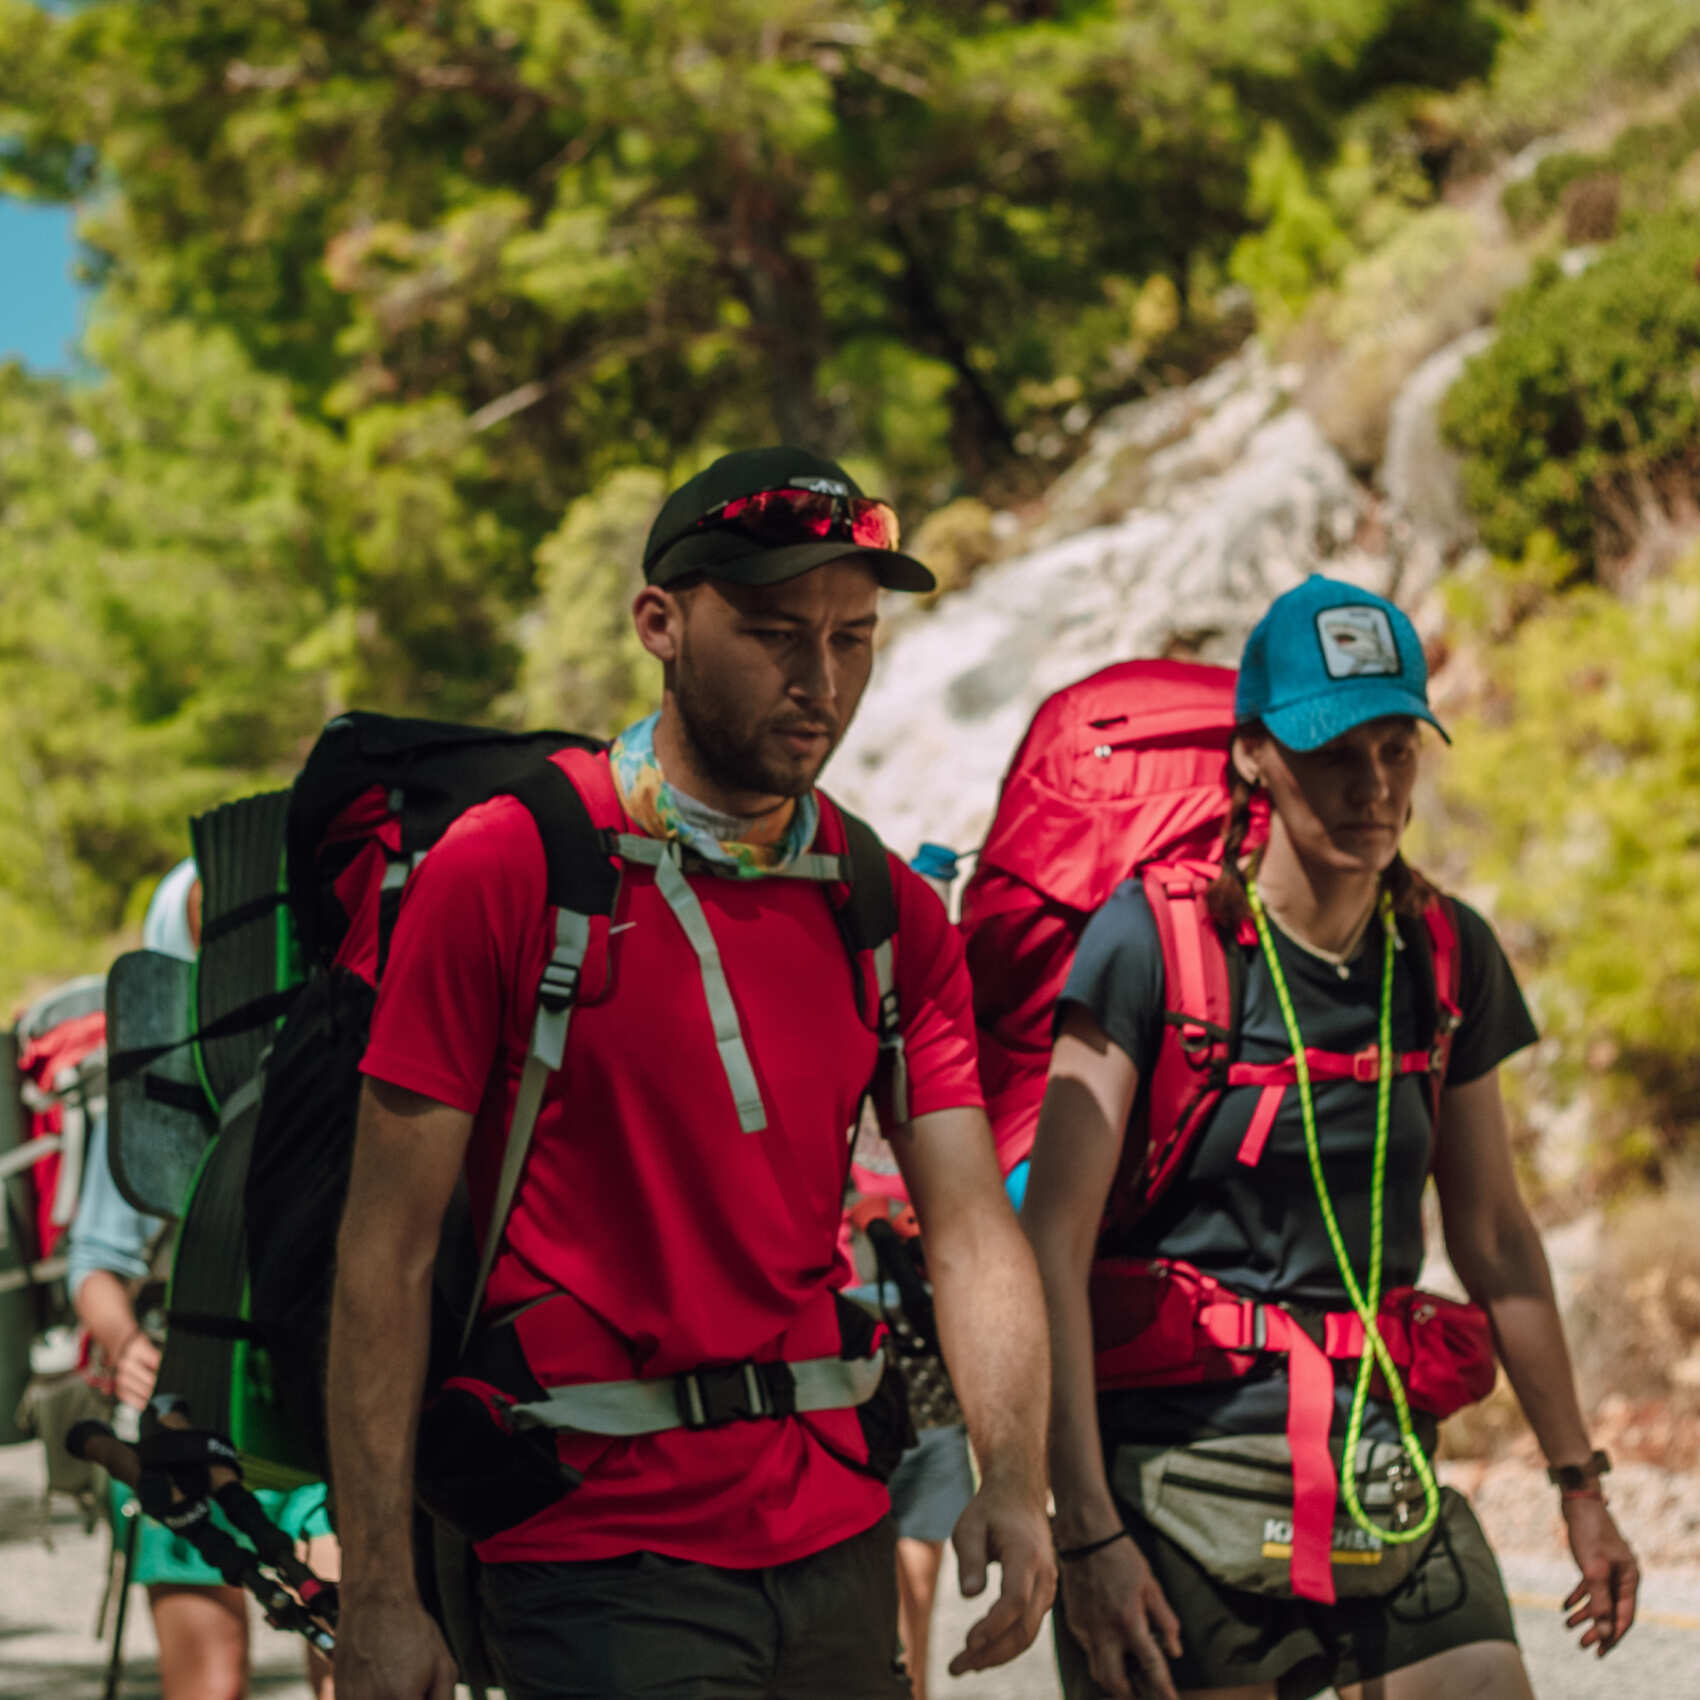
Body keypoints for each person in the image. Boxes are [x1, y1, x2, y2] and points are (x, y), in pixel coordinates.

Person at [326, 447, 1056, 1700]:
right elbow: (381, 1251)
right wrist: (381, 1589)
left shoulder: (881, 905)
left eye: (853, 638)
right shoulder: (506, 868)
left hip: (832, 1531)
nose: (818, 681)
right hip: (592, 1549)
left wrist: (1017, 1480)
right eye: (774, 632)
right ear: (659, 622)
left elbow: (973, 1226)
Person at [1023, 577, 1639, 1700]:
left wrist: (1577, 1480)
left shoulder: (1445, 955)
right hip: (1171, 1470)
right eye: (1331, 750)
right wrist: (1086, 1533)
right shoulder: (1148, 943)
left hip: (1375, 1462)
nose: (1373, 785)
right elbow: (1048, 1246)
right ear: (1253, 753)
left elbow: (1495, 1235)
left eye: (1396, 747)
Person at [68, 857, 337, 1700]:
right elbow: (95, 1264)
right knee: (206, 1686)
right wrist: (128, 1343)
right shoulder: (152, 1087)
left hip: (322, 1429)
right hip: (188, 1418)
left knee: (356, 1655)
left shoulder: (335, 1064)